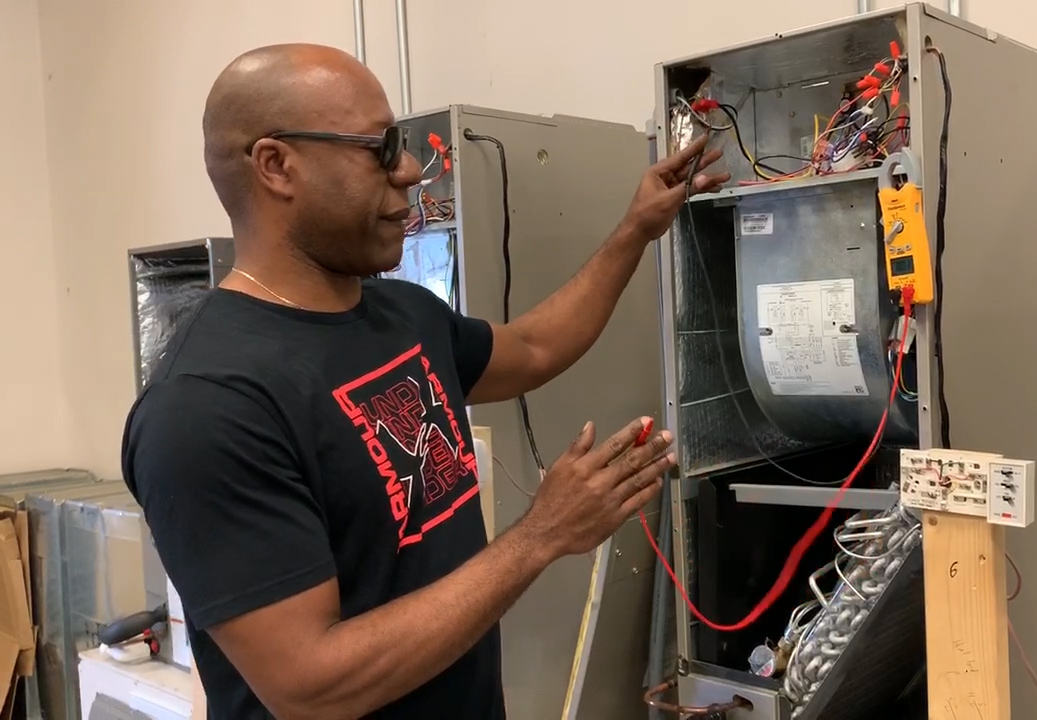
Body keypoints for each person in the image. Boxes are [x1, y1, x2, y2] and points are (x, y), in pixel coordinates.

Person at [121, 43, 728, 720]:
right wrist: (541, 535)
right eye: (379, 148)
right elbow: (312, 687)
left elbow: (532, 347)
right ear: (276, 165)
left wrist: (636, 229)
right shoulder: (207, 407)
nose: (410, 169)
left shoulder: (396, 313)